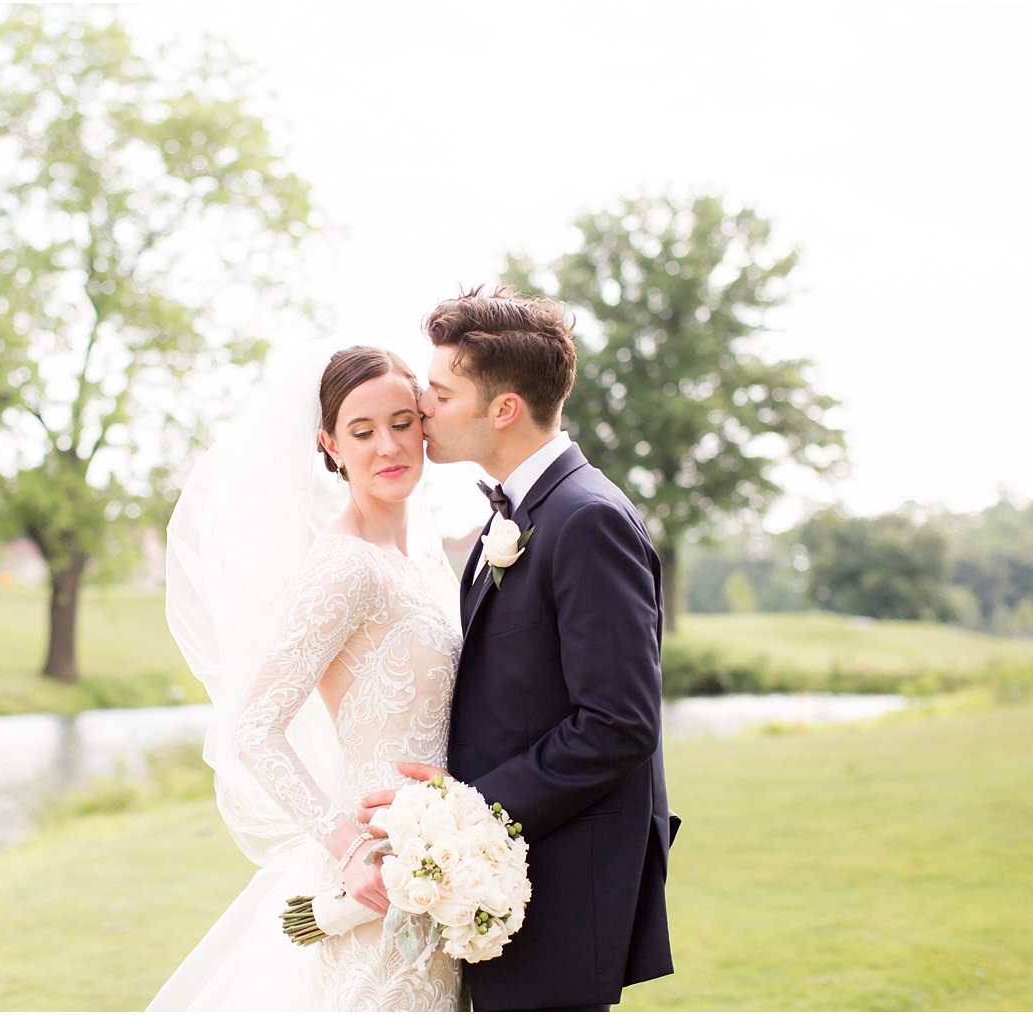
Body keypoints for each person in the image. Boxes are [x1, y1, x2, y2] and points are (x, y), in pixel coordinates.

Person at [359, 286, 679, 1011]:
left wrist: (467, 811)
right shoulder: (516, 515)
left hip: (559, 889)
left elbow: (620, 722)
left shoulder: (586, 518)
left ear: (503, 408)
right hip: (505, 883)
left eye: (439, 391)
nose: (421, 406)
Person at [152, 344, 465, 1011]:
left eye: (402, 421)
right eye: (362, 431)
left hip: (443, 867)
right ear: (330, 444)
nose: (389, 444)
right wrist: (349, 844)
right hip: (376, 879)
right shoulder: (343, 567)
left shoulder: (429, 560)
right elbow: (254, 729)